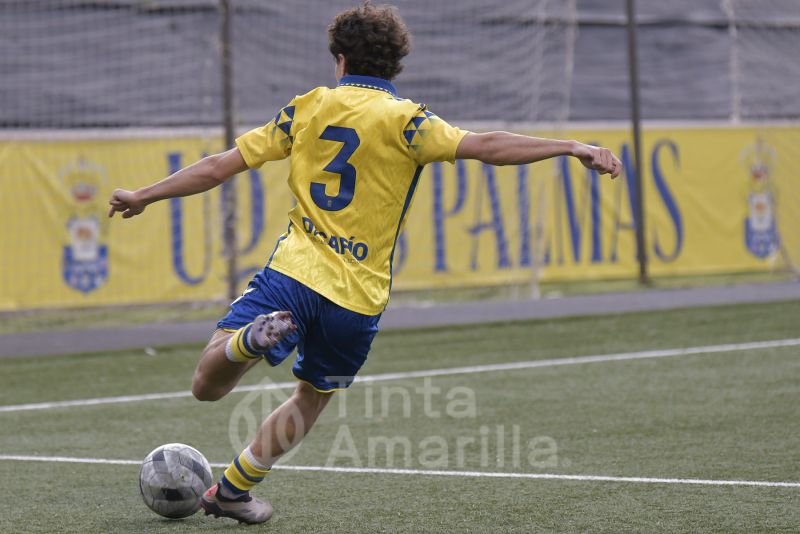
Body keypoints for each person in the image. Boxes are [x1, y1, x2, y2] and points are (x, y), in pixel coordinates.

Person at [108, 1, 621, 525]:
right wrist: (571, 146)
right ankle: (235, 490)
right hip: (357, 301)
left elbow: (220, 167)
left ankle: (246, 342)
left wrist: (146, 195)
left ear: (339, 59)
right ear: (395, 65)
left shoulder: (307, 107)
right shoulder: (409, 121)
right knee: (311, 397)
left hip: (294, 275)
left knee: (207, 384)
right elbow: (487, 146)